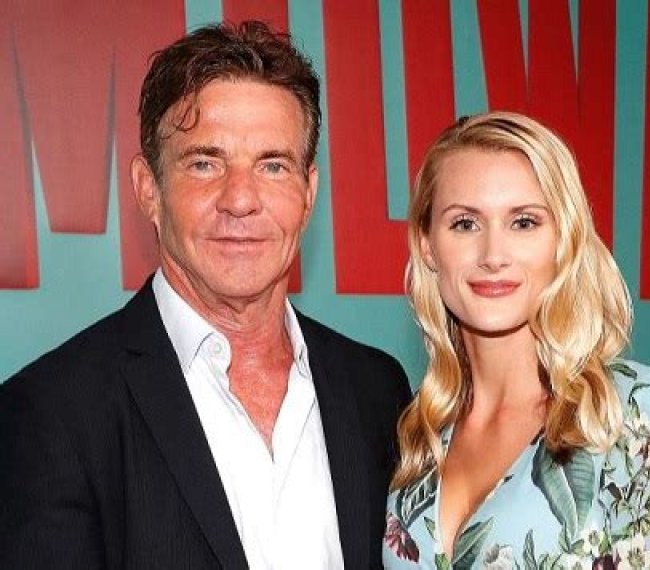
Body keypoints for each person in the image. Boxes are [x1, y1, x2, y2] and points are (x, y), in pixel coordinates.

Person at [0, 21, 410, 569]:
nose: (240, 199)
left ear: (308, 193)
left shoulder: (377, 391)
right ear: (149, 189)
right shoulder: (51, 413)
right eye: (204, 163)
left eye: (272, 165)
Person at [382, 112, 650, 569]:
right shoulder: (419, 435)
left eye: (523, 222)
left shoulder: (639, 416)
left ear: (563, 239)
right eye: (465, 224)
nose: (493, 255)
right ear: (427, 245)